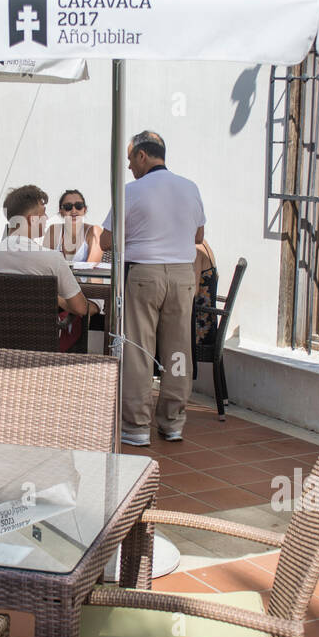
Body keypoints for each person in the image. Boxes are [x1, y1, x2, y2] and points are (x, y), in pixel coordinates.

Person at [99, 130, 206, 446]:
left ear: (142, 155)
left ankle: (136, 427)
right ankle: (173, 422)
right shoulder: (190, 187)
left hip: (144, 275)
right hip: (183, 277)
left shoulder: (132, 190)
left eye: (131, 158)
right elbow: (198, 236)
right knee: (177, 351)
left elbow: (105, 241)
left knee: (138, 352)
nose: (130, 166)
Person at [0, 184, 90, 320]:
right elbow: (81, 308)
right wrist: (56, 299)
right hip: (39, 339)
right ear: (31, 219)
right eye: (43, 213)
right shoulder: (52, 258)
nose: (46, 217)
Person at [43, 189, 105, 263]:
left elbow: (91, 267)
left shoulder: (94, 231)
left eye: (79, 206)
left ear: (84, 209)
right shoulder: (53, 230)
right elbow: (46, 263)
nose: (73, 211)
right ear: (61, 211)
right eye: (68, 207)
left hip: (85, 274)